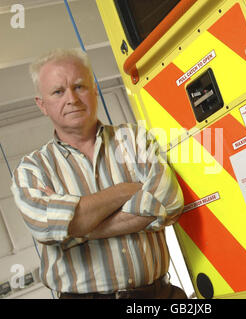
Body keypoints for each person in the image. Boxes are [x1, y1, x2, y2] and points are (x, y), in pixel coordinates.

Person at [10, 48, 187, 299]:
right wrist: (126, 190)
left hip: (157, 296)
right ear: (42, 104)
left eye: (79, 86)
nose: (72, 98)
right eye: (58, 91)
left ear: (95, 90)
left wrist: (76, 230)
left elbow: (168, 202)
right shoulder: (33, 169)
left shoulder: (135, 140)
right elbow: (46, 228)